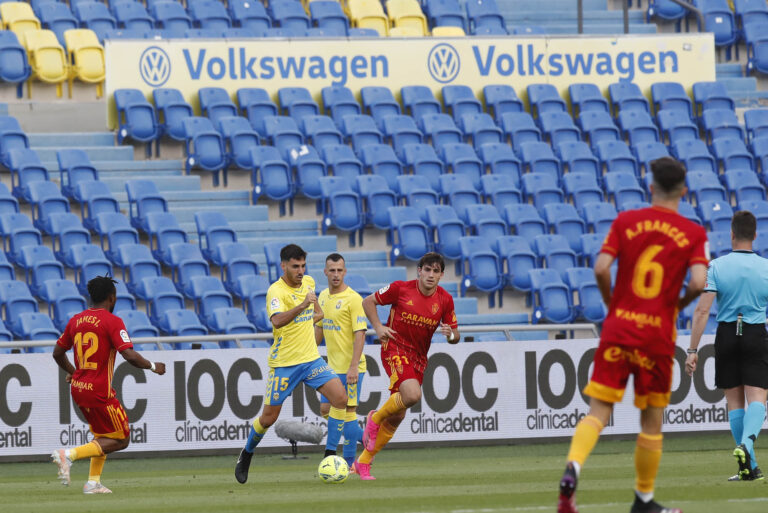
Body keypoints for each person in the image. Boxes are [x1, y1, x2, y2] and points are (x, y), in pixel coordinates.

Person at [557, 157, 709, 513]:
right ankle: (643, 499)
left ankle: (573, 467)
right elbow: (700, 282)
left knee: (598, 412)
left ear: (650, 186)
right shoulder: (693, 233)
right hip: (655, 335)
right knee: (651, 420)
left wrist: (613, 303)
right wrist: (677, 303)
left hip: (619, 328)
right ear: (684, 191)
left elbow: (600, 267)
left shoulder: (626, 221)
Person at [235, 244, 348, 484]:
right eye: (295, 266)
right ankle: (247, 453)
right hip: (285, 364)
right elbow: (277, 321)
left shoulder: (308, 282)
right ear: (283, 266)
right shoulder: (276, 292)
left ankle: (329, 455)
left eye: (303, 265)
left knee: (340, 398)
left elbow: (318, 314)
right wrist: (302, 307)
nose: (300, 270)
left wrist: (312, 315)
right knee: (267, 419)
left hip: (310, 359)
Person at [51, 276, 166, 494]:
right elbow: (129, 355)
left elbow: (57, 353)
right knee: (122, 439)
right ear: (112, 298)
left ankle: (93, 483)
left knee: (102, 436)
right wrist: (153, 366)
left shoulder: (76, 320)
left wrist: (74, 372)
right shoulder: (112, 321)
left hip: (79, 388)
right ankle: (69, 455)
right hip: (98, 391)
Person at [355, 252, 459, 481]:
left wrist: (451, 334)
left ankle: (363, 462)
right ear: (419, 271)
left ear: (442, 275)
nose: (431, 275)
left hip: (419, 358)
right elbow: (367, 301)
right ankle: (374, 418)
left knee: (398, 416)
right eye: (427, 270)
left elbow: (456, 335)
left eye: (436, 271)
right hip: (395, 349)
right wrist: (378, 327)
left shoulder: (445, 300)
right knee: (412, 395)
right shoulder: (400, 289)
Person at [685, 210, 768, 482]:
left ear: (731, 234)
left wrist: (692, 350)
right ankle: (747, 446)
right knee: (758, 397)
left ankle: (748, 468)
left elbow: (702, 311)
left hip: (727, 334)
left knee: (734, 402)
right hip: (755, 333)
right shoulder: (766, 267)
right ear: (755, 235)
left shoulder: (716, 266)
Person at [314, 253, 368, 469]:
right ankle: (368, 439)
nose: (336, 274)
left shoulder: (354, 299)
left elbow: (360, 333)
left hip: (352, 368)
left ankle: (347, 462)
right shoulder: (323, 297)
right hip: (332, 368)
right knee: (326, 410)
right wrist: (307, 351)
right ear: (325, 272)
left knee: (347, 413)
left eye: (339, 270)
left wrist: (354, 366)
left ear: (345, 272)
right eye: (332, 270)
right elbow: (320, 329)